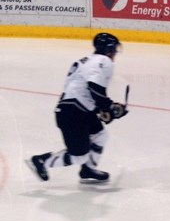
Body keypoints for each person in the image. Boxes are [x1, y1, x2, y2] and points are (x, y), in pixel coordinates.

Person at [27, 32, 128, 184]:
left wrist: (103, 110)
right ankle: (41, 161)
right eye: (113, 49)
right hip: (74, 113)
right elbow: (93, 87)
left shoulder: (87, 61)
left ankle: (88, 170)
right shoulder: (103, 61)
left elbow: (81, 92)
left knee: (101, 135)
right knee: (78, 156)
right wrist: (109, 107)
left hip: (75, 110)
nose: (115, 53)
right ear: (108, 49)